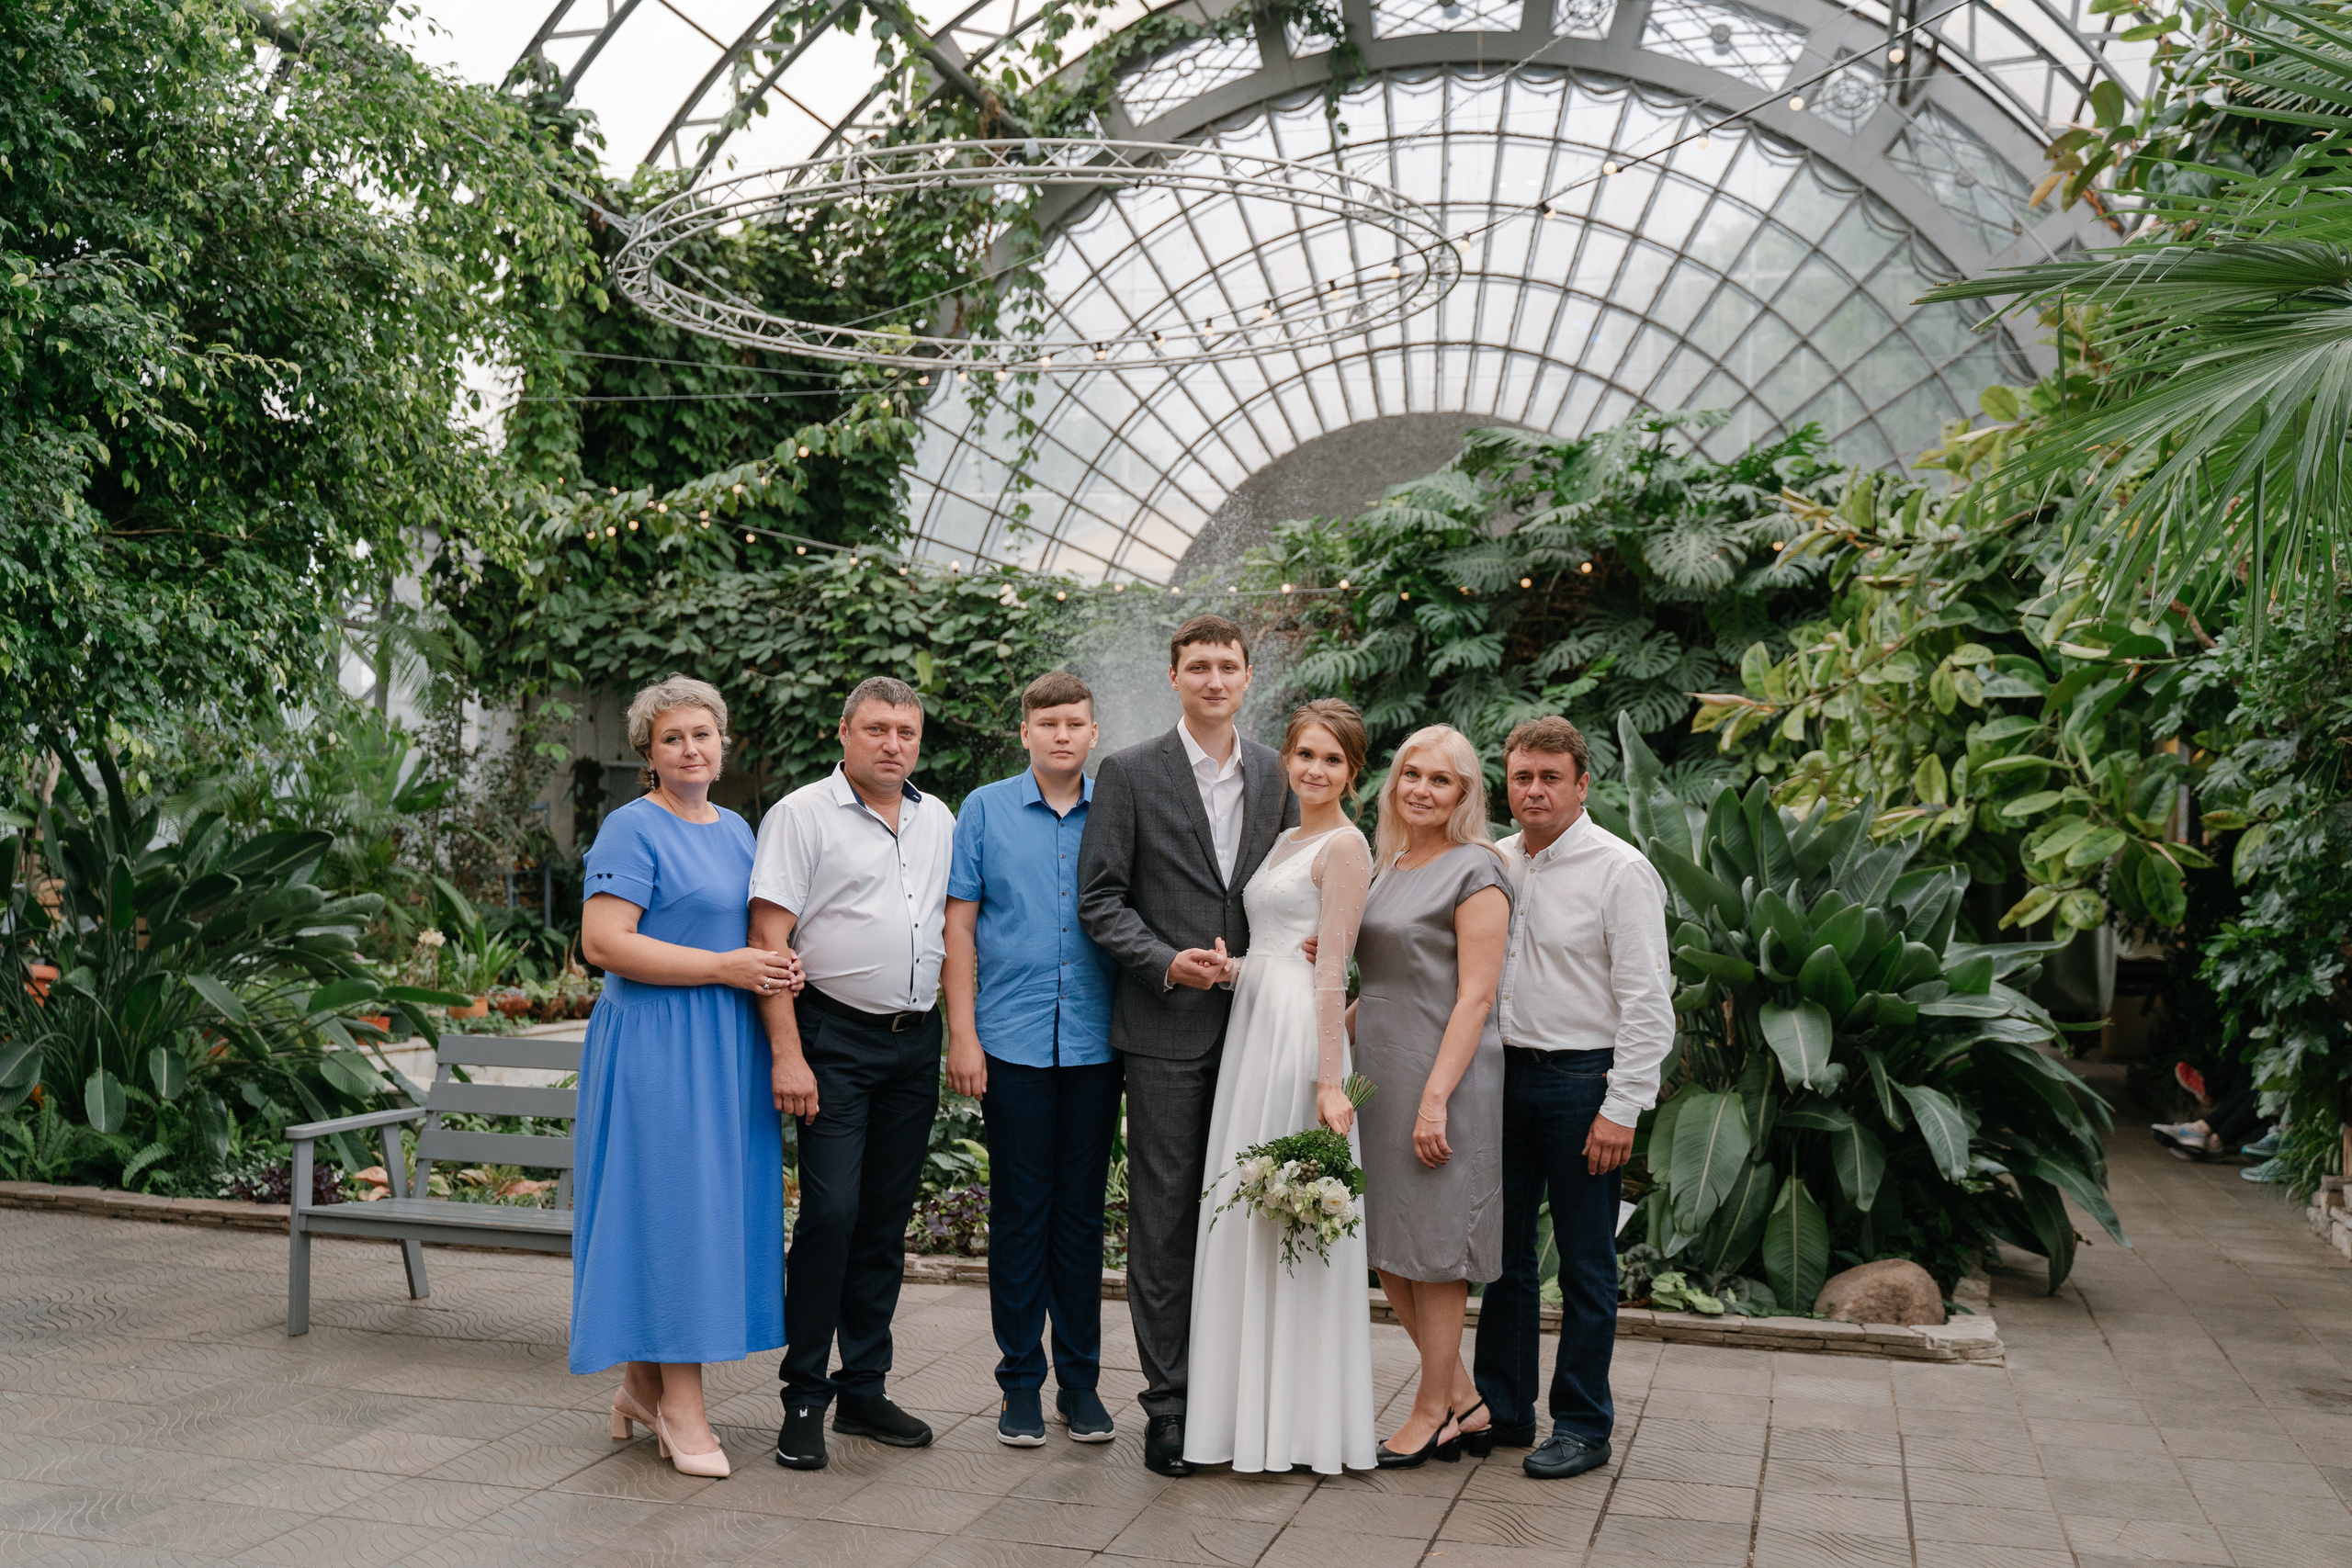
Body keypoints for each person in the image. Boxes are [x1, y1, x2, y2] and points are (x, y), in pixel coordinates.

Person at [1077, 614, 1299, 1477]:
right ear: (1174, 675)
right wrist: (1170, 962)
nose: (1214, 679)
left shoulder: (1278, 772)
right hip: (1163, 1031)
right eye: (1198, 666)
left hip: (1258, 1029)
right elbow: (1100, 902)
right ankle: (1167, 1407)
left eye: (1228, 666)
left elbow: (1294, 881)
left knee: (1246, 1212)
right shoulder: (1128, 772)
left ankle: (1236, 1397)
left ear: (1250, 677)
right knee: (1165, 1221)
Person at [572, 676, 794, 1480]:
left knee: (709, 1211)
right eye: (673, 738)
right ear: (649, 752)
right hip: (657, 1045)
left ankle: (639, 1383)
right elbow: (604, 942)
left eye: (702, 733)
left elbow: (760, 929)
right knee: (672, 1211)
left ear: (723, 741)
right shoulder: (632, 829)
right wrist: (726, 965)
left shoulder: (739, 830)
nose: (690, 749)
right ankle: (681, 1406)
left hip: (725, 1043)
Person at [752, 675, 957, 1471]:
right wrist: (788, 1051)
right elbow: (771, 941)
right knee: (831, 1216)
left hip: (914, 1044)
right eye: (876, 729)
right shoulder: (802, 814)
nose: (892, 744)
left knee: (884, 1219)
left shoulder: (937, 817)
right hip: (832, 1036)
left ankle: (863, 1388)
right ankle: (804, 1394)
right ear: (844, 732)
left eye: (905, 732)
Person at [1473, 717, 1672, 1481]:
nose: (1534, 790)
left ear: (1582, 784)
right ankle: (1506, 1405)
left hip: (1582, 1082)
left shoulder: (1619, 870)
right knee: (1506, 1256)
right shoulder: (1494, 860)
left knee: (1587, 1264)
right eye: (1522, 776)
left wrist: (1623, 1104)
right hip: (1505, 1077)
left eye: (1550, 777)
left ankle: (1584, 1424)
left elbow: (1649, 1001)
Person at [1185, 699, 1378, 1475]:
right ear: (1287, 760)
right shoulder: (1286, 838)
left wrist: (1330, 1083)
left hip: (1300, 1036)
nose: (1315, 769)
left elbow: (1329, 970)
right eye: (1305, 754)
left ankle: (1299, 1424)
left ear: (1353, 773)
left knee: (1289, 1216)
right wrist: (1230, 967)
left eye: (1332, 759)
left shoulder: (1347, 845)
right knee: (1245, 1217)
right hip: (1252, 1026)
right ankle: (1240, 1418)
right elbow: (1278, 947)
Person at [943, 671, 1124, 1448]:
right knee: (1019, 1214)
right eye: (1046, 721)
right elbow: (958, 927)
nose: (1060, 734)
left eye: (1074, 723)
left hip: (1095, 1043)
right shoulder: (983, 808)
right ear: (1025, 731)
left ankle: (1078, 1382)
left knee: (1082, 1219)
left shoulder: (1116, 808)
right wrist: (962, 1033)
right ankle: (1019, 1382)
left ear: (1092, 734)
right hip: (1008, 1042)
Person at [1350, 724, 1511, 1468]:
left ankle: (1430, 1409)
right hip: (1379, 1071)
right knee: (1390, 1247)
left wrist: (1436, 1098)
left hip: (1441, 1075)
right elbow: (1378, 979)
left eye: (1440, 779)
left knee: (1437, 1252)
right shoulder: (1393, 861)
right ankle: (1467, 1400)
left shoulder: (1477, 867)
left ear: (1465, 793)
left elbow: (1476, 996)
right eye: (1411, 774)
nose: (1421, 788)